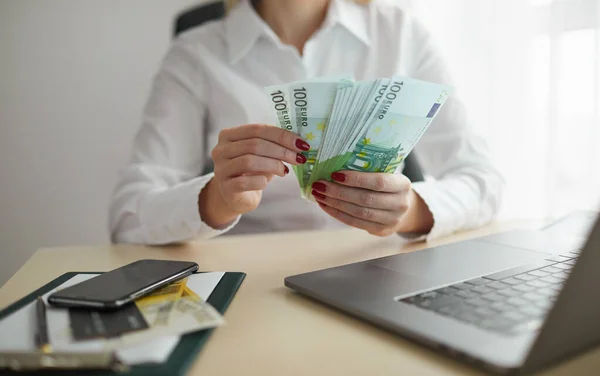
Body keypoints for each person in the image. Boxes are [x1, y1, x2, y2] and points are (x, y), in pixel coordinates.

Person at [109, 0, 503, 245]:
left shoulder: (402, 33)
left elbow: (484, 181)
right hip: (253, 281)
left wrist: (412, 210)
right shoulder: (194, 54)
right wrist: (216, 200)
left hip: (374, 266)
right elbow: (128, 217)